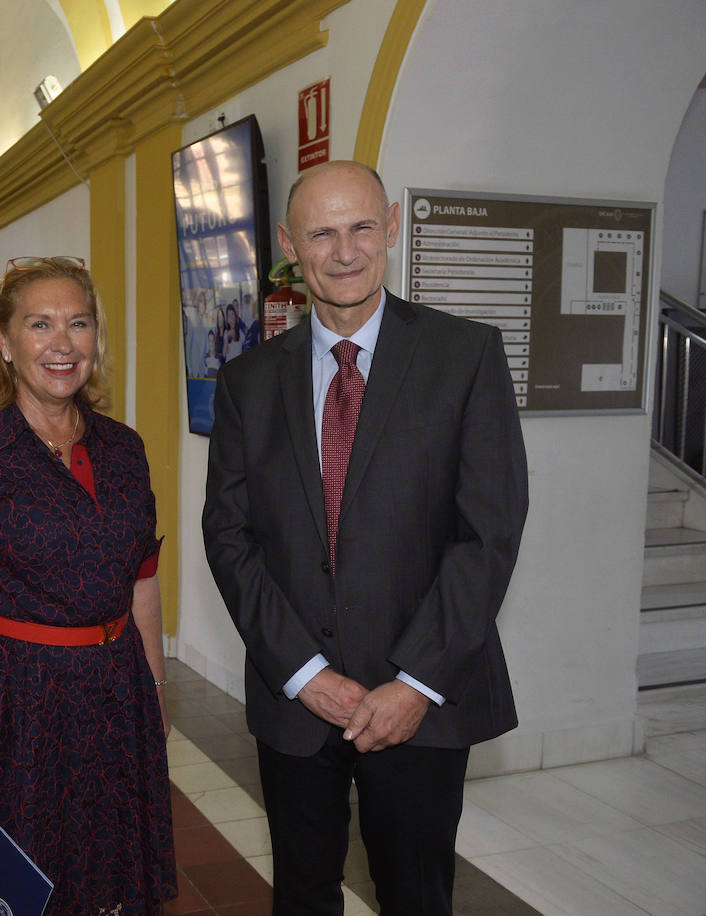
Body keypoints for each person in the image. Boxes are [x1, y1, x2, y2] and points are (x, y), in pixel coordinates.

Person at [201, 160, 528, 915]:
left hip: (420, 703)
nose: (344, 251)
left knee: (417, 895)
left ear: (391, 228)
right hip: (296, 703)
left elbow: (490, 531)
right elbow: (229, 536)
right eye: (321, 232)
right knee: (304, 893)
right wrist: (302, 670)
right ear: (290, 243)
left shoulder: (465, 356)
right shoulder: (249, 380)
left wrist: (415, 684)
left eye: (360, 227)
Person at [0, 256, 175, 914]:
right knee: (17, 890)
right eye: (41, 325)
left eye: (78, 324)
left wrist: (157, 702)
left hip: (115, 699)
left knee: (108, 888)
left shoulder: (124, 449)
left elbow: (143, 585)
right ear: (3, 341)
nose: (63, 344)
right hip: (16, 708)